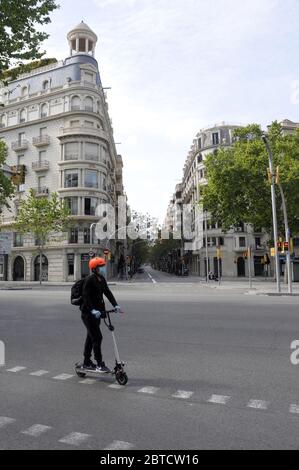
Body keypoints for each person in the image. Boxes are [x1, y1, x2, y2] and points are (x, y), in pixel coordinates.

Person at [80, 257, 121, 373]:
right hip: (88, 314)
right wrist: (92, 310)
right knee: (97, 337)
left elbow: (107, 292)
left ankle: (86, 361)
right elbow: (85, 297)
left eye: (103, 267)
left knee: (91, 337)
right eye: (100, 267)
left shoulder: (101, 279)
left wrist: (115, 305)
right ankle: (99, 364)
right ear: (94, 269)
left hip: (98, 314)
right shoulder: (89, 280)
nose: (102, 269)